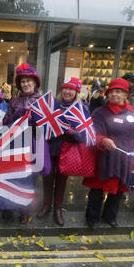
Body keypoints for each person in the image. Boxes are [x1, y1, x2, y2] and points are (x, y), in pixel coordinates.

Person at [83, 78, 134, 229]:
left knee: (118, 192)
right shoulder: (99, 112)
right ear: (107, 94)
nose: (114, 94)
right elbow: (94, 133)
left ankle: (110, 216)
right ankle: (92, 217)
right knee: (97, 190)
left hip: (125, 159)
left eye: (119, 91)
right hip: (104, 158)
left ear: (126, 95)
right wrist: (103, 140)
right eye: (111, 92)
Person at [37, 77, 88, 226]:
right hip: (50, 149)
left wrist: (70, 131)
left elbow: (84, 137)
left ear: (76, 92)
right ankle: (46, 205)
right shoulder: (53, 105)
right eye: (65, 88)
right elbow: (42, 126)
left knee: (61, 182)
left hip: (66, 153)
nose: (67, 91)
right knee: (47, 179)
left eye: (71, 89)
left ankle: (57, 209)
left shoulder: (81, 109)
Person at [3, 63, 42, 224]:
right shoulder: (14, 101)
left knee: (29, 179)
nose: (25, 84)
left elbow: (46, 125)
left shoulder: (42, 100)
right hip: (15, 144)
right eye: (23, 81)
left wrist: (33, 121)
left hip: (33, 143)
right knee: (12, 177)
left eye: (28, 81)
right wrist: (15, 116)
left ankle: (24, 210)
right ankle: (9, 207)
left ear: (35, 82)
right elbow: (5, 123)